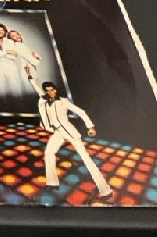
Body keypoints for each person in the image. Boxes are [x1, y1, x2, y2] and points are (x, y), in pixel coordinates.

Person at [25, 70, 113, 201]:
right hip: (58, 132)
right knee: (49, 153)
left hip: (69, 132)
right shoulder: (44, 100)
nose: (50, 92)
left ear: (55, 90)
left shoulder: (63, 101)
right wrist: (29, 76)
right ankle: (53, 183)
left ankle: (105, 190)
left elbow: (80, 111)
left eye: (52, 90)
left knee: (86, 159)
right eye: (48, 90)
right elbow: (36, 87)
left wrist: (90, 126)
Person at [0, 22, 22, 98]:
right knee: (0, 90)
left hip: (11, 66)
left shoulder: (10, 41)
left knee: (16, 88)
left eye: (2, 30)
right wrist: (7, 51)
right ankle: (2, 104)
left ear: (5, 31)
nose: (0, 31)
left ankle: (19, 103)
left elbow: (15, 55)